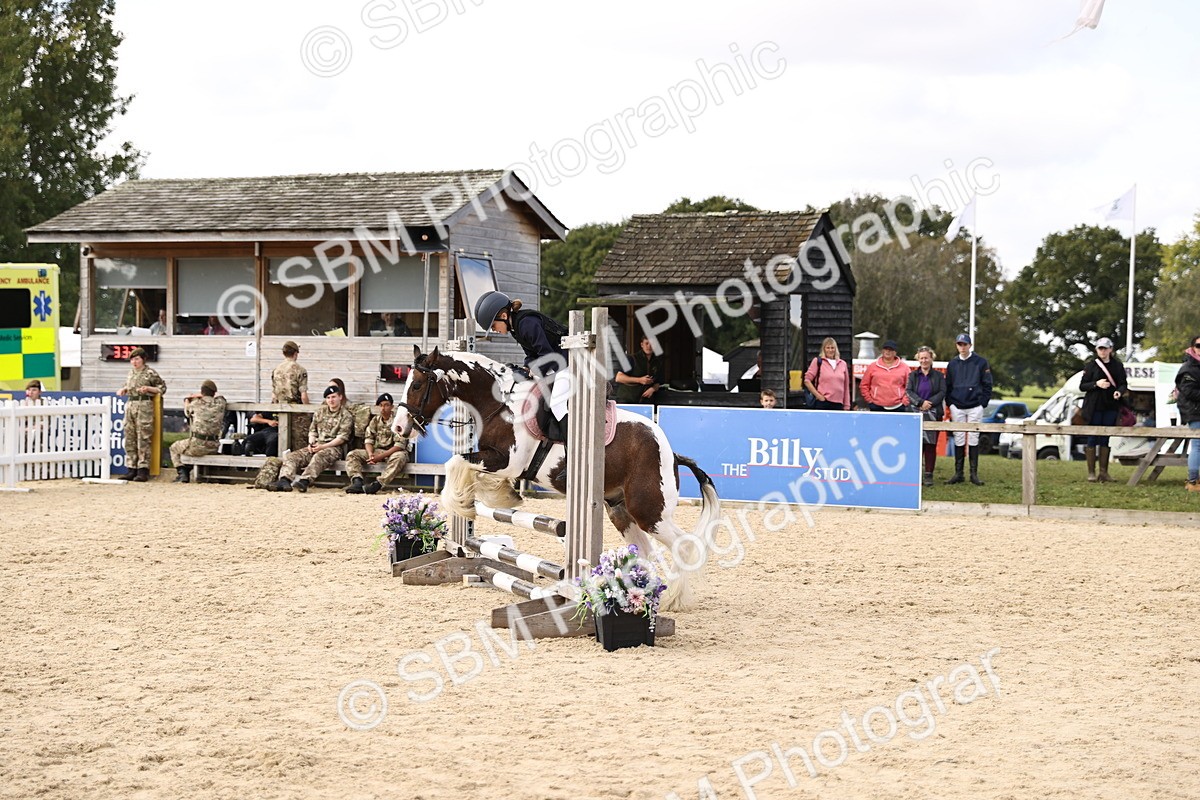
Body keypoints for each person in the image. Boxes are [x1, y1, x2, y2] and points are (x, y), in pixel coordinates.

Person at [474, 290, 570, 442]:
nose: (494, 330)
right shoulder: (516, 328)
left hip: (569, 362)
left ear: (504, 316)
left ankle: (570, 448)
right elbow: (532, 355)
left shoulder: (527, 323)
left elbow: (546, 354)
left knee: (557, 404)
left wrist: (534, 370)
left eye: (493, 326)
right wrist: (526, 368)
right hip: (556, 362)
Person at [273, 385, 353, 492]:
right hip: (317, 445)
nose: (331, 400)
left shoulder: (346, 415)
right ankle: (284, 480)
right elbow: (312, 431)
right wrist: (311, 443)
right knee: (293, 457)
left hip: (333, 448)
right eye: (328, 398)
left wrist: (322, 447)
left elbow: (342, 438)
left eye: (333, 397)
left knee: (319, 456)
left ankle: (304, 481)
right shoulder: (320, 412)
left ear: (340, 397)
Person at [945, 333, 993, 486]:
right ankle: (959, 473)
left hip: (974, 406)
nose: (962, 347)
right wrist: (950, 403)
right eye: (960, 344)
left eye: (965, 344)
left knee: (973, 437)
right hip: (957, 406)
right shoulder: (952, 364)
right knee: (958, 437)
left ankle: (974, 474)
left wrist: (982, 404)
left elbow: (987, 385)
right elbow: (948, 386)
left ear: (970, 345)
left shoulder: (981, 362)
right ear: (956, 345)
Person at [1079, 336, 1128, 483]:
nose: (1103, 351)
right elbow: (1082, 386)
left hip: (1110, 406)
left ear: (1110, 350)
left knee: (1105, 438)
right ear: (1096, 350)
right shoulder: (1091, 366)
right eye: (1100, 348)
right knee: (1092, 437)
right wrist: (1096, 384)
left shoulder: (1117, 366)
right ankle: (1091, 473)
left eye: (1105, 348)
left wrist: (1119, 391)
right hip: (1094, 407)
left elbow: (1123, 383)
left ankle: (1104, 472)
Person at [114, 347, 167, 482]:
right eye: (132, 359)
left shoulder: (150, 373)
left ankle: (143, 469)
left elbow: (162, 388)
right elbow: (128, 385)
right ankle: (131, 468)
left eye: (137, 359)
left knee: (143, 438)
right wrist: (124, 389)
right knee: (130, 437)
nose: (134, 362)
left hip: (144, 406)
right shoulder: (131, 373)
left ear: (143, 359)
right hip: (131, 405)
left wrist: (149, 389)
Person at [345, 393, 410, 494]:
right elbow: (368, 440)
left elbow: (399, 445)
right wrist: (371, 454)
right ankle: (357, 481)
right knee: (352, 454)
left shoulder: (398, 422)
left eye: (386, 405)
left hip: (392, 452)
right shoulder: (375, 420)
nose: (383, 408)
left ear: (392, 407)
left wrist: (379, 457)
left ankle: (377, 484)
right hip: (378, 451)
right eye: (381, 405)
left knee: (400, 457)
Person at [169, 380, 227, 483]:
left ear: (202, 392)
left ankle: (183, 474)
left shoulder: (195, 403)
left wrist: (188, 399)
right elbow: (220, 396)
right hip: (213, 446)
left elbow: (187, 412)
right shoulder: (220, 404)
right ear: (213, 392)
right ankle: (188, 470)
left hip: (197, 445)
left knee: (174, 448)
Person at [906, 346, 946, 487]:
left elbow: (942, 392)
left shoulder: (939, 376)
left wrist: (930, 403)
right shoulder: (912, 375)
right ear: (918, 359)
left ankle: (928, 475)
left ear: (931, 358)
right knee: (916, 446)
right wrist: (920, 402)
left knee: (930, 445)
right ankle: (915, 474)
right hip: (915, 413)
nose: (924, 360)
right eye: (921, 358)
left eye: (926, 358)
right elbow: (908, 391)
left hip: (934, 412)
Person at [272, 340, 310, 451]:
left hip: (280, 409)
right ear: (295, 353)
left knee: (283, 442)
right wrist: (308, 410)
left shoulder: (276, 370)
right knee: (300, 443)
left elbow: (274, 396)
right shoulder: (300, 370)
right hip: (296, 410)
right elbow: (303, 395)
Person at [1174, 335, 1200, 493]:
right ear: (1193, 348)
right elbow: (1188, 392)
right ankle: (1192, 481)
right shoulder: (1188, 368)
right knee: (1197, 445)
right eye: (1199, 345)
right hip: (1195, 411)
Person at [803, 337, 852, 411]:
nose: (830, 350)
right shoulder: (818, 361)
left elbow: (846, 387)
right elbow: (807, 380)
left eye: (832, 348)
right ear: (824, 349)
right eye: (828, 348)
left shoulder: (843, 364)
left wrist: (847, 405)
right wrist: (818, 396)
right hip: (823, 402)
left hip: (838, 404)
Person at [859, 340, 908, 412]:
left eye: (891, 349)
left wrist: (904, 402)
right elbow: (864, 385)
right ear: (882, 351)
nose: (888, 351)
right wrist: (870, 400)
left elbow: (910, 386)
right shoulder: (873, 366)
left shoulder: (904, 367)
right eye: (886, 349)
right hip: (876, 406)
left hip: (898, 406)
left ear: (895, 352)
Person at [615, 335, 665, 404]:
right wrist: (640, 380)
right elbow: (619, 378)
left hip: (645, 401)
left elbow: (658, 382)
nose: (649, 346)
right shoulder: (631, 358)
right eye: (646, 343)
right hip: (626, 400)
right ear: (642, 345)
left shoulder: (657, 362)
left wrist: (653, 389)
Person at [328, 377, 370, 452]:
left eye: (334, 387)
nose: (331, 389)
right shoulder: (325, 405)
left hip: (342, 436)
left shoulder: (349, 405)